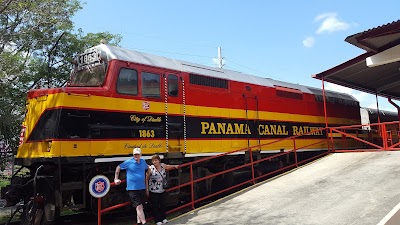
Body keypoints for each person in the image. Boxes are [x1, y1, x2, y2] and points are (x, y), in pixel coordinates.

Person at [115, 148, 149, 225]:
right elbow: (118, 167)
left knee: (140, 206)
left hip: (142, 187)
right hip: (132, 188)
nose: (136, 156)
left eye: (137, 154)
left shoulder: (143, 162)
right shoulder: (129, 162)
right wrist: (116, 178)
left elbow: (148, 167)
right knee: (139, 206)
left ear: (141, 155)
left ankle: (139, 223)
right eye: (135, 154)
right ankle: (144, 223)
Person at [146, 155, 179, 225]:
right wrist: (147, 189)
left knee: (163, 204)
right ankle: (157, 220)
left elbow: (169, 166)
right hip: (153, 190)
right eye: (153, 161)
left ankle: (163, 218)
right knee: (155, 205)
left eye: (156, 160)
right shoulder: (150, 168)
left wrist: (175, 166)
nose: (154, 162)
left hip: (162, 189)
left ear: (159, 160)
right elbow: (147, 178)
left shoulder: (162, 166)